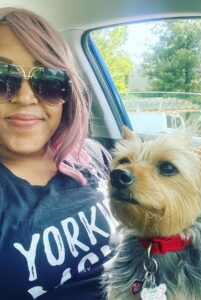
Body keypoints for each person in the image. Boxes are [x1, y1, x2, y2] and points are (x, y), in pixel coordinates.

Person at [0, 7, 114, 300]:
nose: (26, 97)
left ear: (67, 95)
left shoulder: (92, 154)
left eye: (49, 81)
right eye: (2, 78)